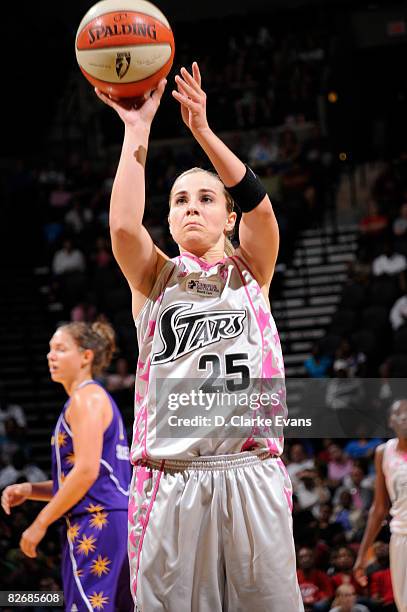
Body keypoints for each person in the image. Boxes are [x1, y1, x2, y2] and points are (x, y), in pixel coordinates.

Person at [96, 62, 303, 610]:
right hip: (171, 481)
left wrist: (204, 134)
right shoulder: (154, 278)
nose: (192, 206)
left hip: (250, 473)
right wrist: (136, 132)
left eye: (206, 198)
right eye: (181, 200)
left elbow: (261, 206)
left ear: (228, 218)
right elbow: (121, 227)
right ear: (167, 219)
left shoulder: (251, 269)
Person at [1, 321, 132, 612]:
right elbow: (89, 477)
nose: (51, 356)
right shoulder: (90, 398)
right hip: (109, 518)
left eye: (60, 349)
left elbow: (86, 472)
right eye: (49, 350)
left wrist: (40, 523)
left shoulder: (85, 399)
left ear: (86, 356)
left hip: (98, 520)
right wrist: (30, 489)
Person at [354, 399, 407, 612]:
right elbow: (379, 509)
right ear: (390, 422)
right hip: (401, 535)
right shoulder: (383, 452)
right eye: (399, 414)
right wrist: (361, 556)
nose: (404, 417)